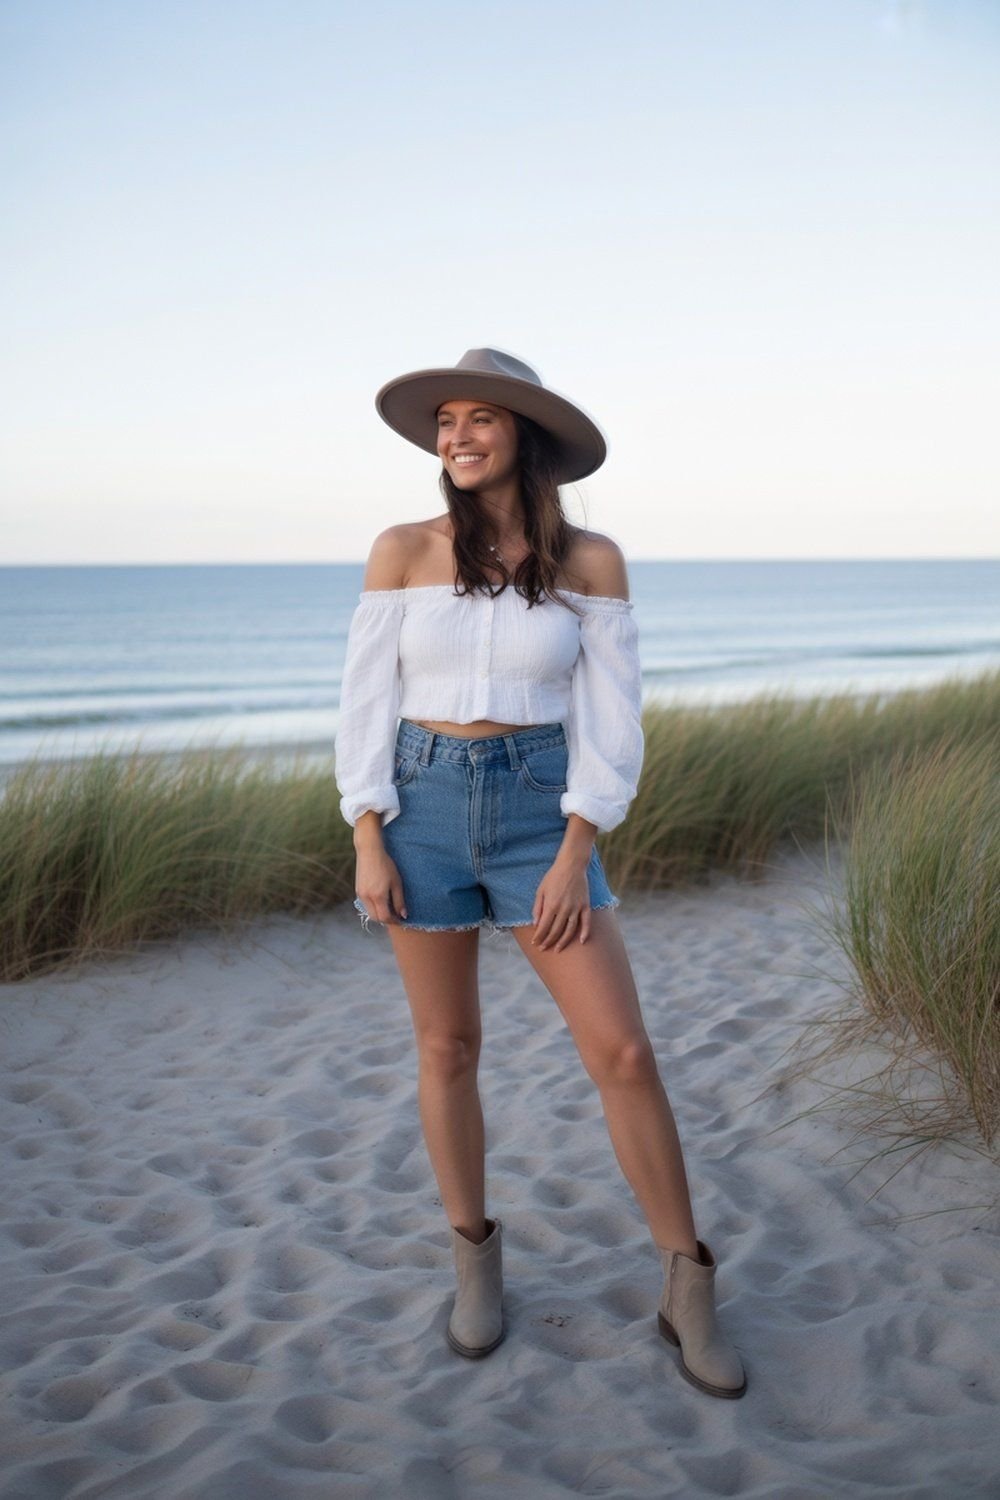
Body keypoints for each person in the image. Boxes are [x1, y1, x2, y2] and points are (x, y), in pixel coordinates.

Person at [334, 348, 746, 1399]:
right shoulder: (401, 550)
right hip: (419, 807)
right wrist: (366, 830)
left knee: (623, 1053)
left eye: (479, 419)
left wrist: (577, 847)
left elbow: (613, 723)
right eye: (445, 423)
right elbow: (364, 703)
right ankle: (475, 1262)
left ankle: (686, 1288)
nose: (457, 437)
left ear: (525, 436)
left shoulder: (590, 563)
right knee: (447, 1045)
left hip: (537, 812)